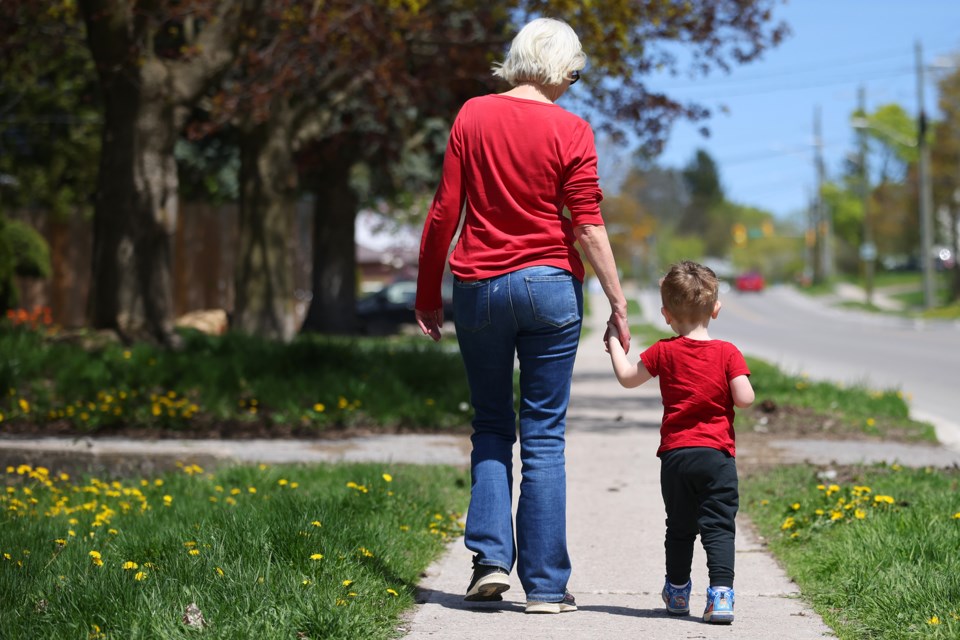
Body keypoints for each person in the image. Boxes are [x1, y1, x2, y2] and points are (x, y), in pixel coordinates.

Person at [414, 17, 630, 615]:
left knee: (490, 423)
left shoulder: (472, 116)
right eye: (574, 74)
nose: (572, 86)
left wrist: (427, 289)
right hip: (551, 289)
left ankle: (489, 562)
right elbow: (586, 223)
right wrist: (617, 300)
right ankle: (545, 587)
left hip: (478, 287)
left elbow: (444, 212)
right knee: (543, 436)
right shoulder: (572, 129)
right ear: (560, 67)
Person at [605, 260, 755, 624]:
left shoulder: (662, 352)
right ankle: (720, 596)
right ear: (715, 310)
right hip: (717, 456)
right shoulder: (727, 352)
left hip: (675, 456)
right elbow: (745, 398)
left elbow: (627, 377)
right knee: (718, 526)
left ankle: (677, 592)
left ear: (666, 314)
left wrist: (613, 339)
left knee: (680, 526)